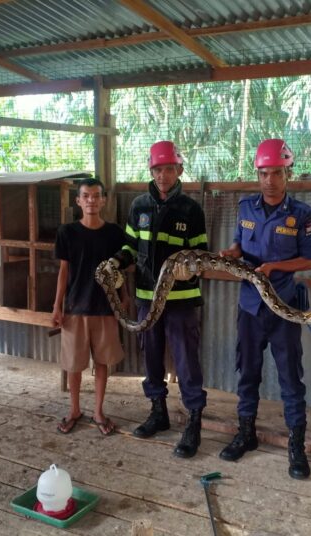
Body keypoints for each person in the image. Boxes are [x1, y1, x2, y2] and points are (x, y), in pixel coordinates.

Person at [218, 139, 311, 479]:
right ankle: (246, 434)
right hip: (249, 307)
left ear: (288, 173)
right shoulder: (245, 207)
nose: (270, 180)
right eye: (264, 173)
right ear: (257, 174)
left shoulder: (301, 214)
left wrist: (275, 267)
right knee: (247, 373)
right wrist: (231, 253)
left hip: (284, 308)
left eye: (277, 172)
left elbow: (309, 260)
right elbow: (238, 244)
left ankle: (297, 448)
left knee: (291, 378)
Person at [109, 141, 208, 458]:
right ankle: (158, 412)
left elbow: (201, 259)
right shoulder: (138, 206)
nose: (163, 175)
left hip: (181, 300)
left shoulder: (191, 210)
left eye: (169, 168)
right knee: (150, 359)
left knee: (186, 362)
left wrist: (188, 272)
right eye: (157, 169)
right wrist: (115, 262)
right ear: (150, 171)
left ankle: (194, 422)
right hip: (146, 299)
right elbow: (129, 248)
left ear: (179, 169)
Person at [52, 178, 126, 435]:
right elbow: (63, 272)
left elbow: (121, 271)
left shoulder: (116, 233)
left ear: (104, 199)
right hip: (75, 307)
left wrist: (123, 299)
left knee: (103, 362)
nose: (91, 200)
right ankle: (74, 409)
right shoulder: (67, 232)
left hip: (106, 308)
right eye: (86, 196)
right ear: (78, 201)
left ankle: (98, 411)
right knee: (73, 364)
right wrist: (57, 306)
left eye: (96, 195)